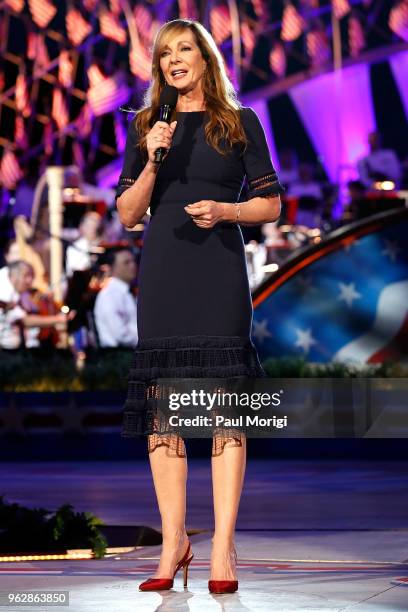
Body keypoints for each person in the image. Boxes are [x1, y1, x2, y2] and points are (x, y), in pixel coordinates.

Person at [115, 19, 283, 594]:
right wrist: (155, 159)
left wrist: (226, 211)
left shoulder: (239, 123)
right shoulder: (146, 128)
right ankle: (173, 542)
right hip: (164, 275)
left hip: (217, 274)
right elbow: (128, 213)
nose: (173, 60)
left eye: (184, 50)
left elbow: (271, 205)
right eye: (164, 54)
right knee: (164, 419)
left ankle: (224, 549)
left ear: (205, 59)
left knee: (222, 417)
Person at [0, 261, 69, 350]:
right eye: (26, 276)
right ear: (13, 275)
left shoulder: (7, 276)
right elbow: (26, 320)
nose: (30, 281)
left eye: (32, 276)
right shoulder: (5, 293)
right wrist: (58, 319)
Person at [94, 248, 138, 348]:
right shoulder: (109, 296)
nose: (133, 265)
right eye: (126, 263)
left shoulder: (128, 292)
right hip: (119, 356)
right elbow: (121, 335)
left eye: (133, 261)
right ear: (112, 269)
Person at [65, 211, 102, 277]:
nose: (93, 229)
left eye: (95, 225)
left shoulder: (104, 246)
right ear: (81, 227)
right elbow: (74, 274)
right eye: (89, 226)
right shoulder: (74, 248)